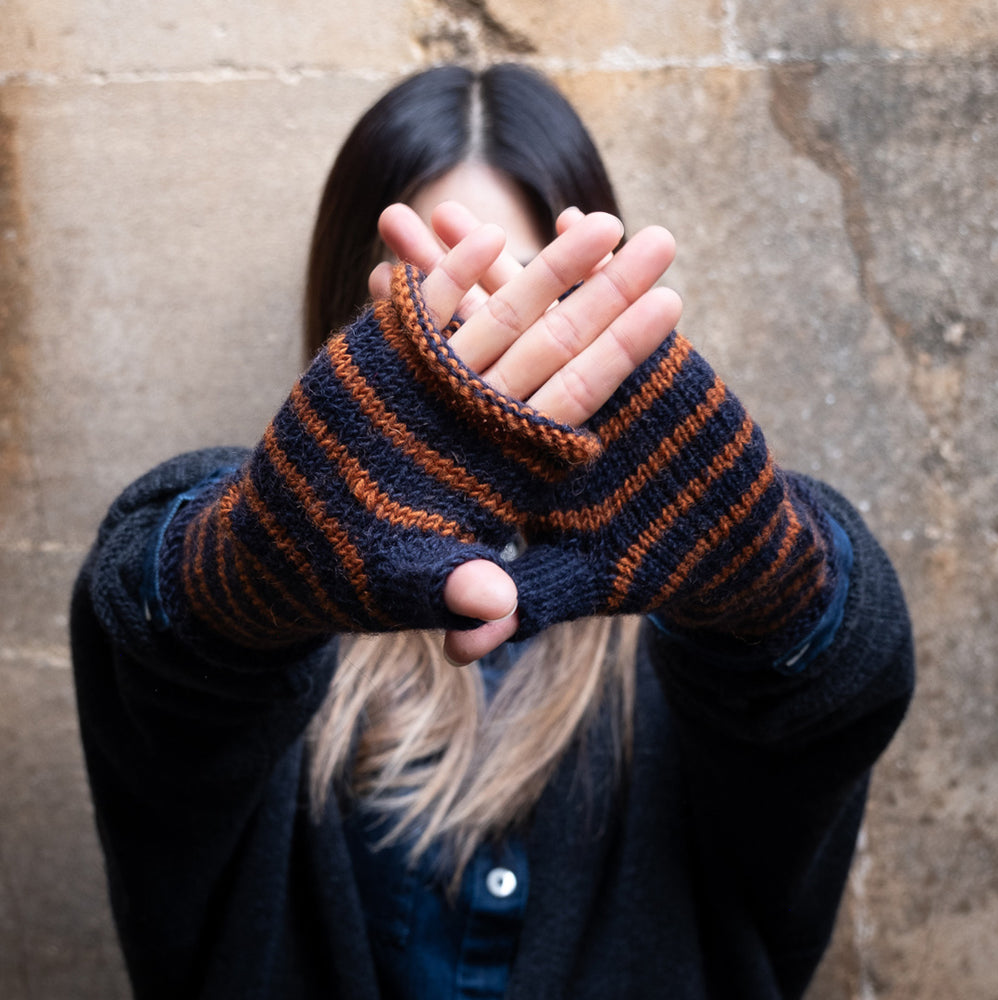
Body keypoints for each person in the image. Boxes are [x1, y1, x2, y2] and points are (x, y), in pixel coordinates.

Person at [71, 64, 914, 1000]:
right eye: (441, 313)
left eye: (526, 294)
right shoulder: (278, 624)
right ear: (350, 342)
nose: (492, 366)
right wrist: (234, 570)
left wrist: (781, 580)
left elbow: (847, 682)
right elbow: (145, 630)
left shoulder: (690, 652)